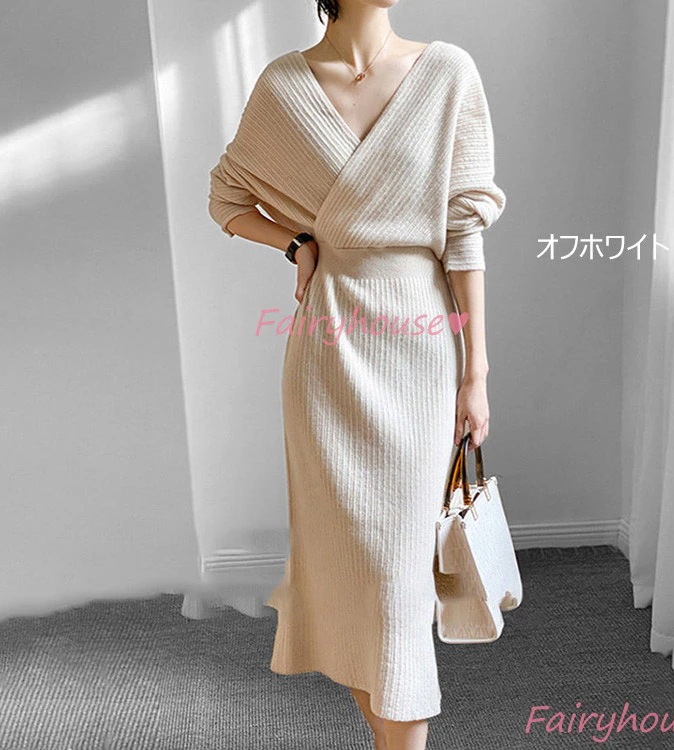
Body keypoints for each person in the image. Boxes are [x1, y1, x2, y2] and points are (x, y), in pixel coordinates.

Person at [207, 1, 506, 748]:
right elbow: (227, 197)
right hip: (326, 352)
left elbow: (464, 233)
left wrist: (476, 373)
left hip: (419, 349)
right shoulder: (284, 86)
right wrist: (297, 242)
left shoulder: (447, 73)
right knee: (348, 571)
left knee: (397, 584)